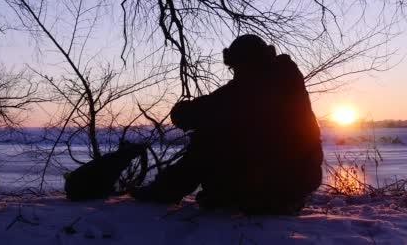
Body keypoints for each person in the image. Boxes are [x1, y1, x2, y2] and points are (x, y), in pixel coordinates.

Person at [132, 35, 323, 214]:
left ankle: (166, 191)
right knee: (222, 133)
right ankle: (229, 195)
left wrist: (183, 111)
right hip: (293, 179)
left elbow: (198, 112)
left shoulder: (255, 87)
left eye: (236, 66)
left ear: (246, 63)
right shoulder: (282, 82)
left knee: (209, 139)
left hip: (278, 181)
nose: (235, 72)